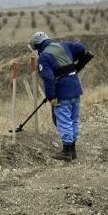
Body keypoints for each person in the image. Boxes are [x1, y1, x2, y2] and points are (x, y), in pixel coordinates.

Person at [29, 31, 94, 161]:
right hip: (75, 89)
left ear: (37, 46)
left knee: (64, 121)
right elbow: (81, 47)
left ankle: (66, 152)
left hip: (62, 92)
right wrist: (78, 59)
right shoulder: (63, 46)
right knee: (74, 119)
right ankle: (73, 151)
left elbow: (48, 78)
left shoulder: (44, 57)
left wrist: (51, 97)